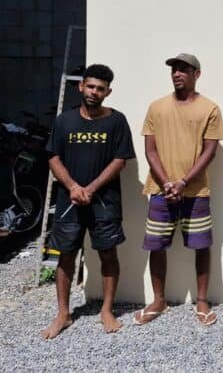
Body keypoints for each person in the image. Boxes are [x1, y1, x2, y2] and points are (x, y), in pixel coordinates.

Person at [42, 64, 135, 339]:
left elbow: (120, 160)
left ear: (108, 92)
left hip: (104, 202)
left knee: (108, 254)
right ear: (81, 86)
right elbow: (53, 157)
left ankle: (107, 310)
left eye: (100, 88)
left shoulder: (116, 121)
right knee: (65, 256)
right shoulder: (64, 121)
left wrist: (91, 189)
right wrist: (73, 187)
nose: (94, 92)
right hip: (69, 202)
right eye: (90, 86)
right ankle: (63, 313)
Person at [133, 53, 223, 327]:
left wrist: (183, 182)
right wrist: (167, 183)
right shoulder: (157, 107)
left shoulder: (210, 108)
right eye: (174, 69)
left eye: (183, 69)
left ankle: (202, 300)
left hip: (195, 192)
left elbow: (210, 151)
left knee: (201, 246)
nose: (176, 73)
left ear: (197, 74)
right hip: (160, 191)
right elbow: (150, 150)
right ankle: (158, 300)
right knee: (156, 246)